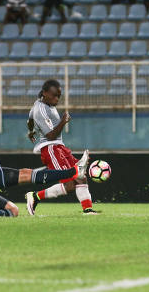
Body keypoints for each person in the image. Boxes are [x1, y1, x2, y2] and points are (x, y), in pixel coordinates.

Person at [25, 79, 97, 215]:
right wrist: (63, 121)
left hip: (59, 147)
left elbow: (29, 119)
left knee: (81, 176)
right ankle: (35, 197)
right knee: (72, 181)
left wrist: (31, 131)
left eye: (59, 96)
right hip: (51, 148)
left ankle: (88, 210)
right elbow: (51, 136)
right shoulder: (41, 110)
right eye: (54, 95)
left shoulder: (40, 104)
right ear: (45, 93)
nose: (57, 99)